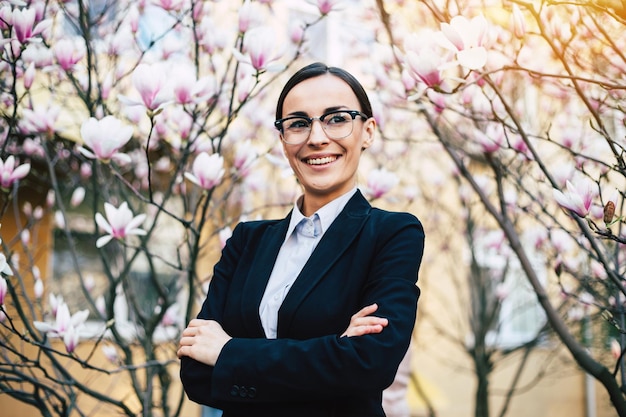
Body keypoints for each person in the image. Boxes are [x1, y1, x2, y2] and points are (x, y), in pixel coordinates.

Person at [178, 62, 425, 417]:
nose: (316, 137)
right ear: (282, 140)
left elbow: (370, 363)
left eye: (337, 118)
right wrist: (334, 349)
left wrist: (228, 352)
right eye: (298, 123)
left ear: (368, 131)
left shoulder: (391, 234)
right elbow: (197, 374)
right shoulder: (247, 241)